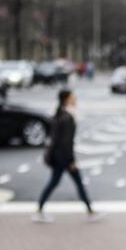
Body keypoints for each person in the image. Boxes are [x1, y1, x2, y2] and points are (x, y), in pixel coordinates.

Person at [34, 89, 97, 222]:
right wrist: (71, 160)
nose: (75, 99)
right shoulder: (67, 117)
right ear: (67, 99)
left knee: (56, 182)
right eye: (73, 97)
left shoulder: (59, 114)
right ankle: (90, 211)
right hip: (64, 157)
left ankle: (39, 209)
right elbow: (66, 142)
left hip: (58, 155)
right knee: (75, 182)